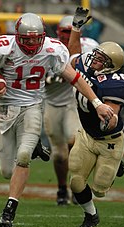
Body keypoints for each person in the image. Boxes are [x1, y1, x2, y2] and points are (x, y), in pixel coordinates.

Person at [0, 12, 113, 227]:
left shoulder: (51, 50)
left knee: (24, 156)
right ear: (17, 35)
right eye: (25, 39)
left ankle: (10, 209)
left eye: (35, 38)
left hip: (33, 107)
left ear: (42, 35)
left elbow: (75, 78)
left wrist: (97, 103)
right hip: (5, 110)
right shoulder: (3, 48)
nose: (30, 43)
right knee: (6, 171)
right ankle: (35, 147)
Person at [67, 7, 124, 227]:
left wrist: (107, 118)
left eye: (101, 59)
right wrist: (76, 28)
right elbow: (73, 56)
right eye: (96, 55)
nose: (94, 59)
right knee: (75, 181)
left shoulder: (116, 83)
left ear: (111, 65)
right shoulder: (87, 61)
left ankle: (116, 165)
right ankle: (91, 216)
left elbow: (110, 119)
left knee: (100, 190)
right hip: (86, 134)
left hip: (109, 140)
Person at [43, 14, 99, 206]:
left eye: (70, 31)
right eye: (64, 31)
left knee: (75, 143)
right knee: (59, 154)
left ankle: (78, 186)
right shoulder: (48, 47)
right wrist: (48, 80)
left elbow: (100, 69)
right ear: (59, 31)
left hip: (74, 105)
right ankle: (61, 188)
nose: (67, 35)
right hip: (52, 103)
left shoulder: (90, 46)